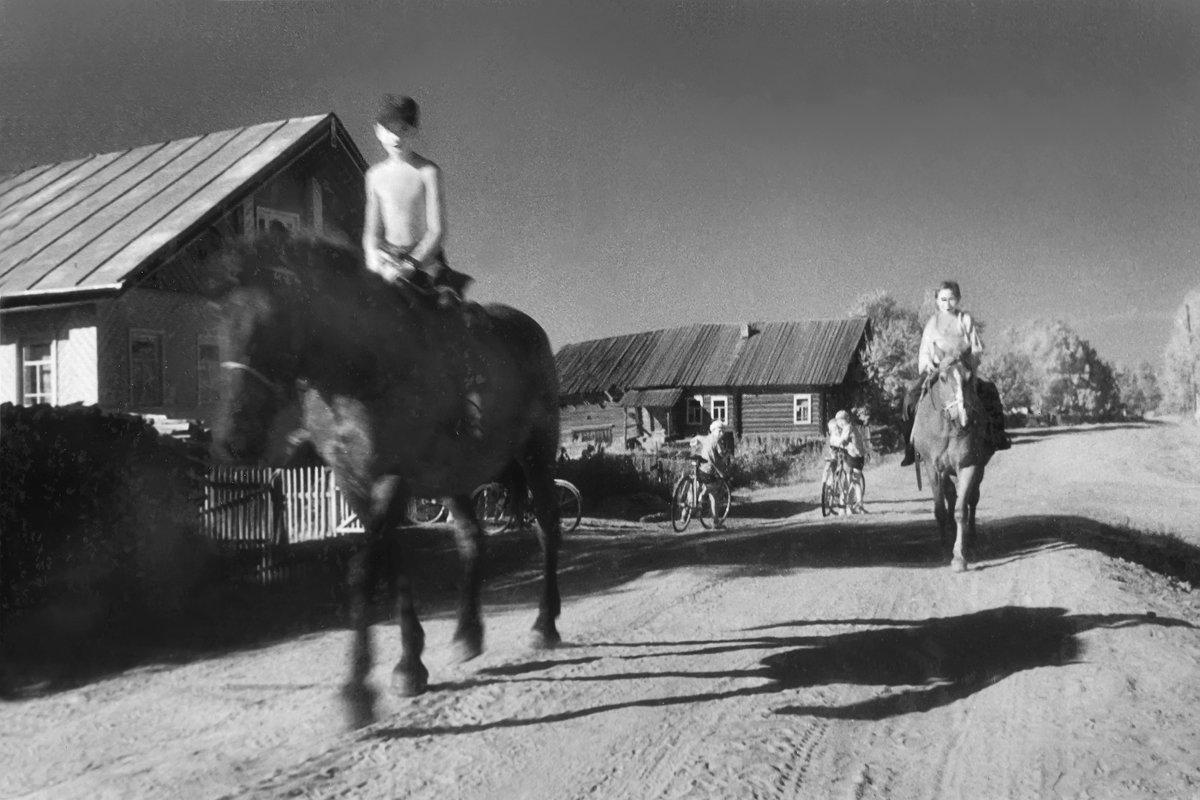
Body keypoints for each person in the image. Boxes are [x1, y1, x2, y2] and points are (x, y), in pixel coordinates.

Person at [363, 94, 471, 306]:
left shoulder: (428, 172)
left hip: (425, 263)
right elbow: (371, 232)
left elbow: (437, 231)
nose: (396, 138)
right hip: (389, 263)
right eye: (390, 130)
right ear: (378, 131)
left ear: (415, 131)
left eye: (404, 129)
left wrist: (411, 265)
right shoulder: (374, 176)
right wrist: (374, 257)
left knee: (446, 311)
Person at [899, 280, 1011, 466]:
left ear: (958, 299)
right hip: (937, 370)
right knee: (910, 399)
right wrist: (929, 365)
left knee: (990, 391)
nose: (947, 304)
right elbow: (925, 351)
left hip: (962, 368)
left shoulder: (964, 319)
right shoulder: (932, 324)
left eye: (951, 299)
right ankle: (911, 447)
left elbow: (976, 347)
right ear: (937, 301)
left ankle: (998, 436)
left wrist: (967, 363)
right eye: (943, 299)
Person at [689, 419, 730, 526]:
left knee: (695, 488)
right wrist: (728, 454)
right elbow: (721, 458)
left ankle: (684, 515)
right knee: (714, 495)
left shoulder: (705, 438)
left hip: (700, 469)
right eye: (720, 431)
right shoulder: (717, 442)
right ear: (713, 430)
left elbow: (696, 439)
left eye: (723, 431)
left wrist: (693, 445)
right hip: (709, 472)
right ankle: (716, 522)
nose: (722, 433)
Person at [823, 410, 866, 512]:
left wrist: (833, 444)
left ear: (841, 421)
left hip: (853, 456)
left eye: (838, 422)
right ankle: (857, 505)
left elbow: (842, 441)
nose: (838, 424)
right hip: (859, 456)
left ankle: (848, 506)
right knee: (855, 482)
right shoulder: (852, 427)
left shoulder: (847, 428)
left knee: (850, 481)